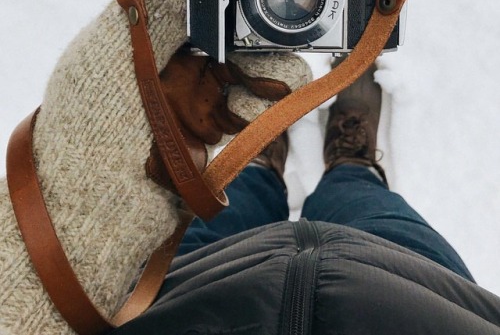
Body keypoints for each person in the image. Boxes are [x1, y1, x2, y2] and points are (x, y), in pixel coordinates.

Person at [115, 65, 500, 335]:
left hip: (187, 288)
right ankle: (349, 163)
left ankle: (262, 162)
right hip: (419, 295)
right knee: (368, 204)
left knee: (231, 203)